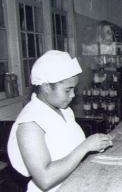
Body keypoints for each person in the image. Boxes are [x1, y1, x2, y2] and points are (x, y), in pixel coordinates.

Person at [7, 50, 113, 192]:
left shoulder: (63, 110)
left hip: (77, 183)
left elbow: (67, 149)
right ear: (45, 87)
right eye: (67, 90)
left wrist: (94, 145)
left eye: (74, 89)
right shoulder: (30, 124)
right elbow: (45, 179)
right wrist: (85, 147)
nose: (73, 95)